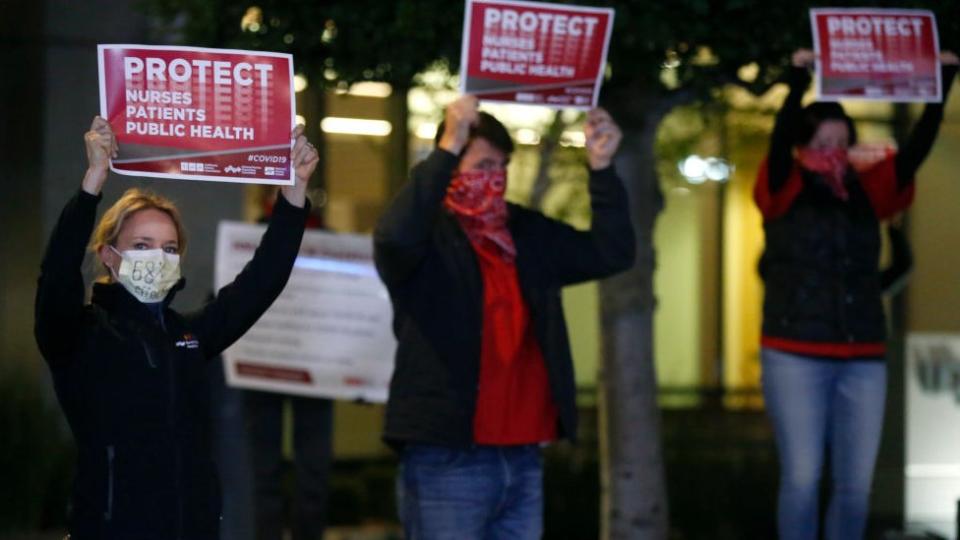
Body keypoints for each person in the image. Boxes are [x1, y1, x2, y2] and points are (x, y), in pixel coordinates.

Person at [34, 116, 318, 540]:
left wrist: (293, 198)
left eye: (169, 248)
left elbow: (260, 285)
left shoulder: (187, 336)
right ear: (109, 256)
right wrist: (92, 183)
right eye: (142, 246)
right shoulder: (80, 336)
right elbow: (56, 277)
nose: (158, 258)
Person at [374, 95, 635, 539]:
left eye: (501, 167)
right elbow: (394, 237)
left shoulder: (525, 232)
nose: (492, 180)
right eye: (480, 166)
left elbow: (611, 253)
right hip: (448, 456)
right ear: (451, 165)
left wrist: (602, 169)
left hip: (523, 455)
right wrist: (447, 146)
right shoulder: (429, 237)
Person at [754, 48, 959, 540]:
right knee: (802, 479)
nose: (833, 152)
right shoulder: (783, 187)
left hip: (862, 351)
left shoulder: (866, 192)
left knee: (855, 487)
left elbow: (913, 155)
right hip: (794, 351)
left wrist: (942, 83)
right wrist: (797, 78)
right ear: (804, 147)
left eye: (842, 142)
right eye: (822, 142)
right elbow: (780, 142)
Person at [243, 186, 334, 540]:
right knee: (263, 470)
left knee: (312, 472)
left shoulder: (331, 244)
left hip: (315, 368)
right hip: (263, 366)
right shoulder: (249, 237)